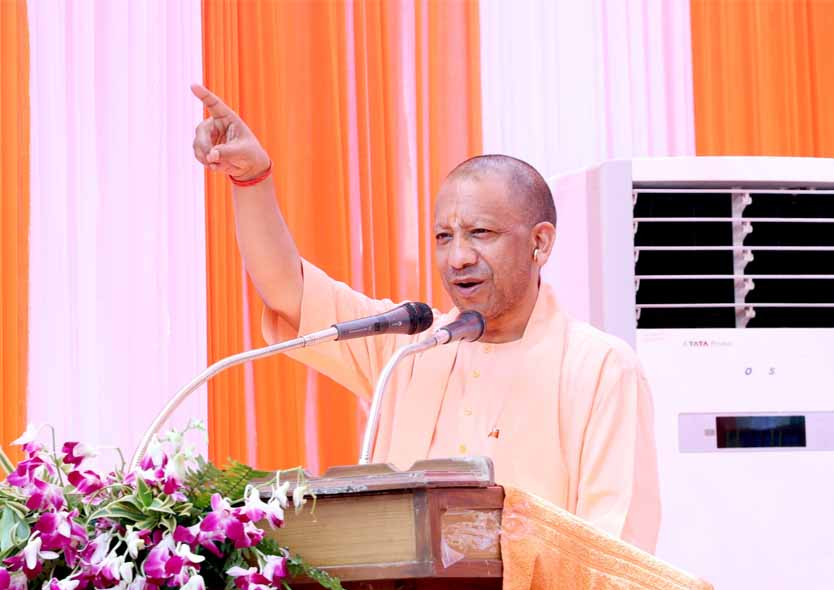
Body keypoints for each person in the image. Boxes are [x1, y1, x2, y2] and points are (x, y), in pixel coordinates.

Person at [191, 84, 660, 551]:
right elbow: (287, 291)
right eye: (443, 237)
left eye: (480, 233)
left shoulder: (599, 368)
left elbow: (617, 554)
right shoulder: (408, 348)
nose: (458, 257)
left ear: (540, 243)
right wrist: (252, 180)